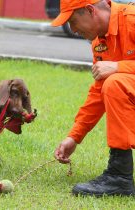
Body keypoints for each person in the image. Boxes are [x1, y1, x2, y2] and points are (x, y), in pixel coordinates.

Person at [51, 0, 135, 196]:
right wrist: (74, 137)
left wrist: (118, 67)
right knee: (112, 84)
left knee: (115, 82)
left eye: (73, 21)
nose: (72, 29)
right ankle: (119, 176)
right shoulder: (99, 43)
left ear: (90, 10)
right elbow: (98, 93)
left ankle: (119, 176)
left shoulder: (131, 20)